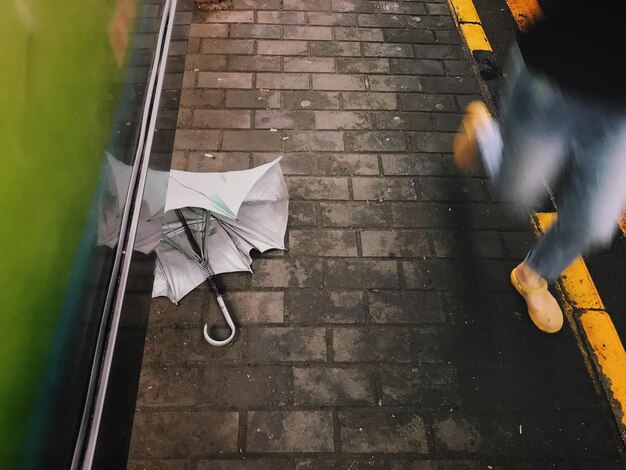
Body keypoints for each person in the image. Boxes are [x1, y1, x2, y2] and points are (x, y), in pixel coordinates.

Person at [453, 0, 626, 333]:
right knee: (516, 194)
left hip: (618, 116)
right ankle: (486, 135)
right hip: (554, 80)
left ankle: (531, 273)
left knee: (593, 221)